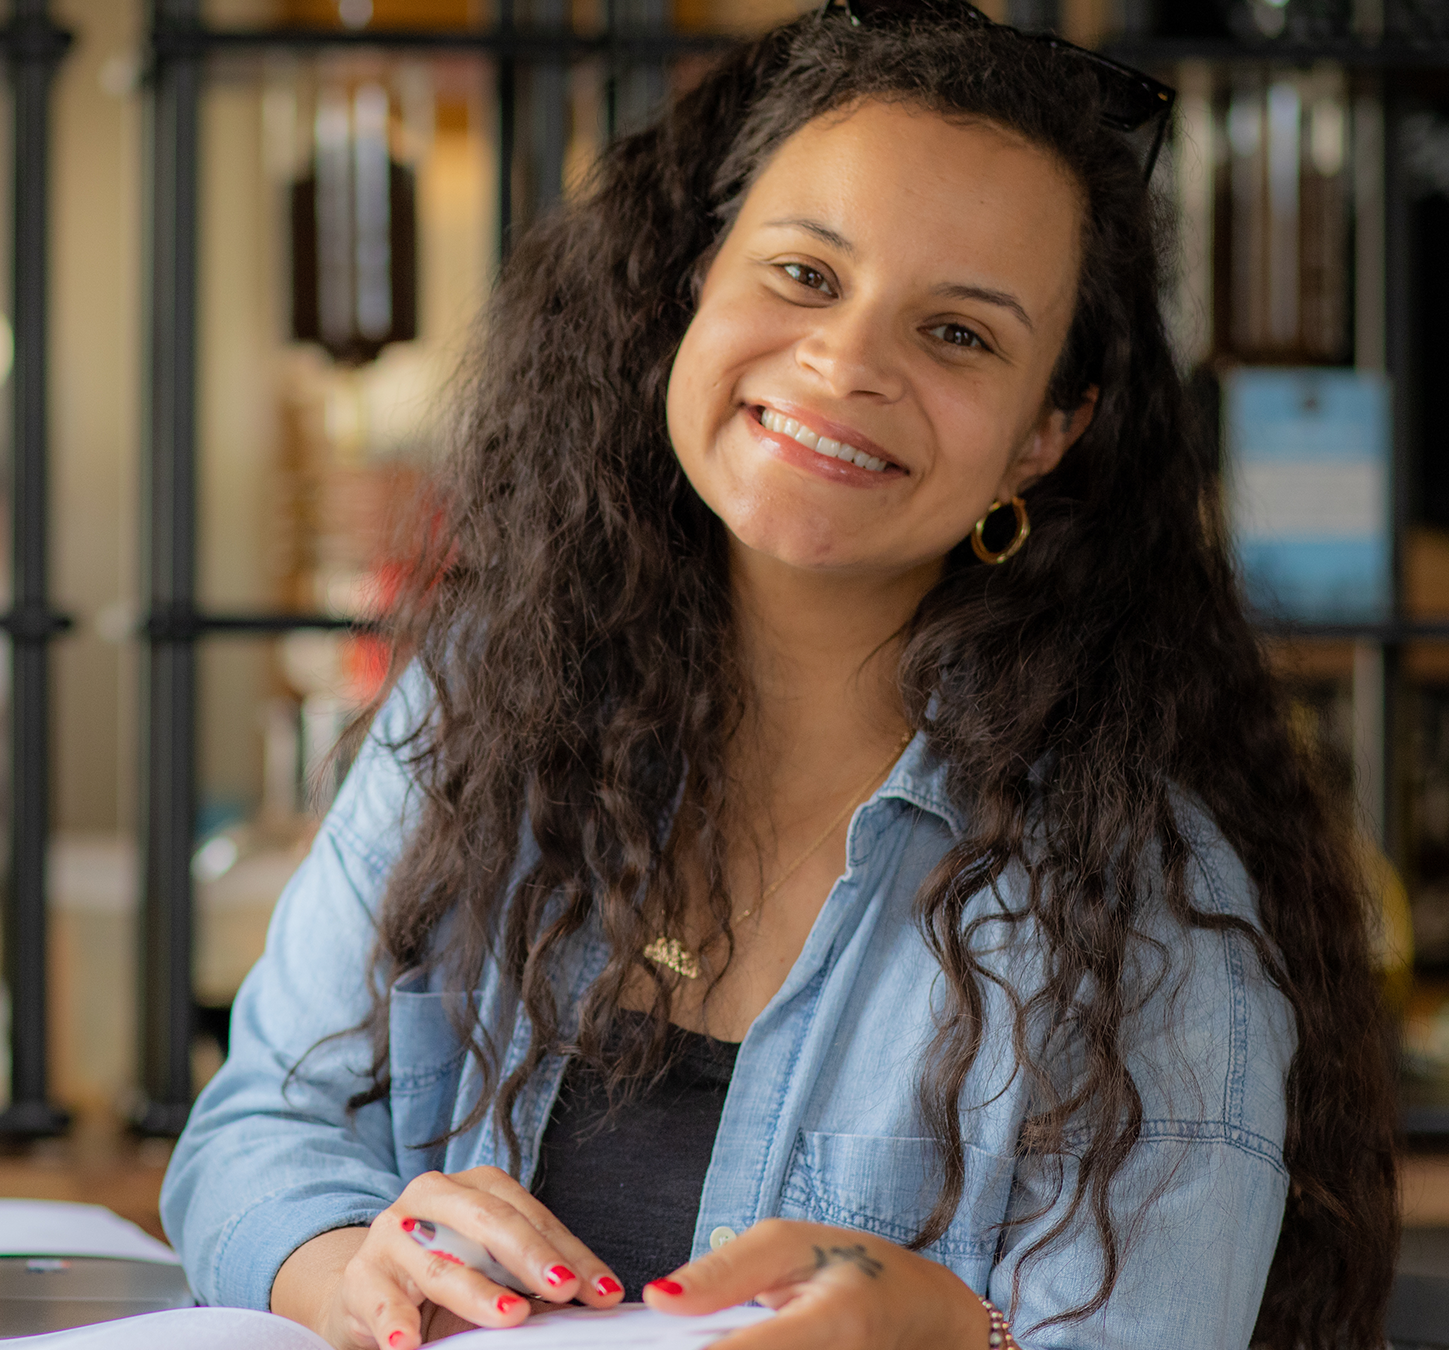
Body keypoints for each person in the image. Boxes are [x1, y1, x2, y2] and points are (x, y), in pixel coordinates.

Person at [157, 5, 1399, 1349]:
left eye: (961, 335)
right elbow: (256, 1125)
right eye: (807, 274)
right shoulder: (478, 709)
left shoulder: (1144, 904)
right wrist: (353, 1263)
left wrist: (959, 1338)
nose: (847, 362)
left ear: (1049, 431)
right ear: (697, 278)